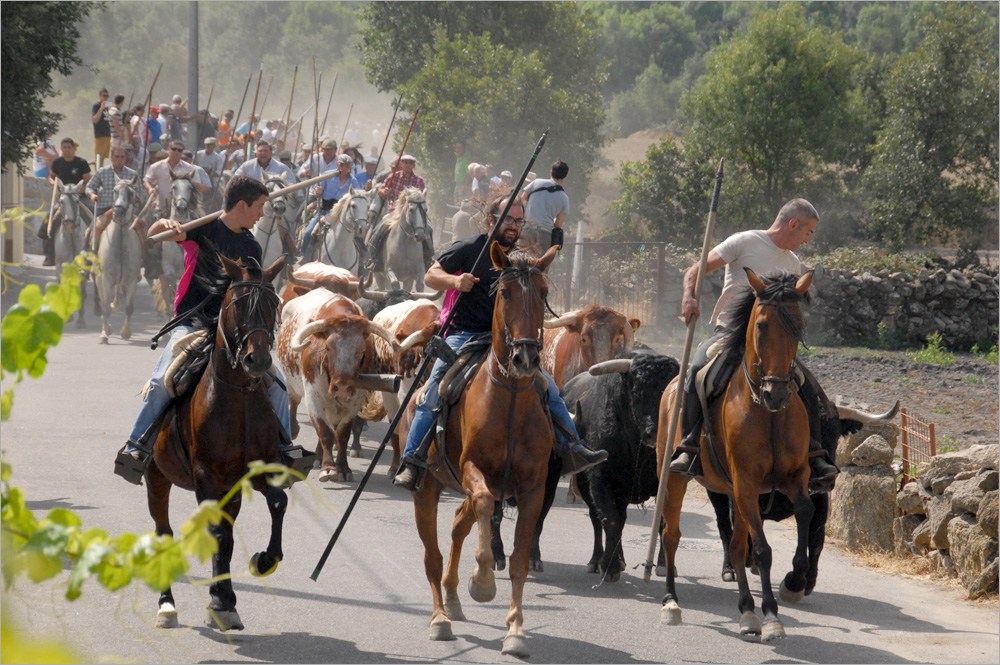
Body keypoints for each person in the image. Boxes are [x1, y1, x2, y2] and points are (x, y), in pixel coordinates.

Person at [392, 196, 608, 490]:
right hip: (463, 334)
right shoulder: (469, 249)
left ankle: (573, 447)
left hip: (505, 343)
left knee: (547, 388)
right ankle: (413, 460)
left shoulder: (520, 259)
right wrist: (456, 282)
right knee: (435, 390)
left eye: (519, 221)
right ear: (492, 220)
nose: (514, 226)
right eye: (509, 219)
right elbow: (431, 275)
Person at [113, 175, 301, 484]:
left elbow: (251, 289)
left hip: (230, 330)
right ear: (242, 205)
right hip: (191, 323)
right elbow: (152, 234)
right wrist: (164, 224)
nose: (262, 214)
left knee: (277, 385)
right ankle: (136, 447)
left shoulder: (250, 244)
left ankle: (283, 451)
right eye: (260, 207)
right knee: (163, 381)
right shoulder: (202, 230)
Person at [667, 198, 840, 484]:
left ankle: (815, 454)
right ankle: (689, 447)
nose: (809, 239)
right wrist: (688, 296)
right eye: (809, 231)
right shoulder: (744, 242)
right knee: (697, 374)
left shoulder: (793, 263)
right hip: (729, 336)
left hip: (770, 344)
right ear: (793, 224)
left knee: (808, 387)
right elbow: (695, 270)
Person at [365, 154, 431, 273]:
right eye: (405, 162)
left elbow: (422, 198)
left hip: (413, 215)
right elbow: (379, 189)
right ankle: (372, 257)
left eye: (410, 163)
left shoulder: (419, 180)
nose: (407, 165)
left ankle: (429, 258)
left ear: (413, 166)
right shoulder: (393, 177)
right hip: (393, 213)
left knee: (428, 229)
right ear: (401, 164)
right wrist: (383, 191)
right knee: (379, 228)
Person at [299, 152, 360, 259]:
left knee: (358, 236)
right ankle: (304, 255)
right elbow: (316, 188)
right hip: (325, 211)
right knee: (308, 232)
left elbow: (358, 195)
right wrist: (318, 191)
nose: (343, 168)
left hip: (343, 214)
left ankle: (363, 259)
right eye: (341, 164)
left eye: (346, 166)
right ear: (337, 164)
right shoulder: (328, 175)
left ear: (350, 168)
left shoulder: (353, 181)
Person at [44, 137, 93, 265]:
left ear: (73, 149)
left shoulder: (81, 163)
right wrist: (54, 183)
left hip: (79, 197)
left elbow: (88, 179)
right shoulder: (57, 163)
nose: (66, 150)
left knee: (93, 215)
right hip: (64, 198)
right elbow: (51, 177)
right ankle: (49, 255)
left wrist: (81, 190)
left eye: (69, 147)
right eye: (64, 147)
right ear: (61, 149)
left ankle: (92, 251)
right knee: (49, 219)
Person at [521, 159, 570, 250]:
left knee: (521, 261)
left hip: (528, 230)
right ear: (565, 176)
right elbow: (558, 225)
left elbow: (522, 199)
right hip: (546, 234)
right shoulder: (564, 198)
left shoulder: (537, 182)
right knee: (541, 263)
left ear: (551, 171)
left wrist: (527, 213)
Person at [86, 146, 139, 221]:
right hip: (104, 210)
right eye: (117, 156)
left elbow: (140, 193)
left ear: (125, 159)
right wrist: (92, 195)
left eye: (122, 157)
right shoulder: (102, 172)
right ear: (111, 158)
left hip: (126, 211)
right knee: (94, 230)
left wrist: (135, 197)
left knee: (140, 229)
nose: (119, 159)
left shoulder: (133, 174)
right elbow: (89, 187)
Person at [91, 88, 112, 162]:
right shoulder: (96, 106)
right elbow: (95, 120)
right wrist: (101, 108)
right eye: (104, 95)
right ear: (100, 96)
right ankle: (97, 172)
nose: (106, 97)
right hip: (100, 135)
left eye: (107, 96)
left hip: (107, 135)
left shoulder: (106, 108)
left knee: (102, 158)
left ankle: (101, 171)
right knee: (98, 158)